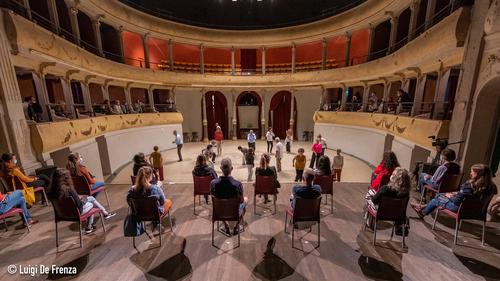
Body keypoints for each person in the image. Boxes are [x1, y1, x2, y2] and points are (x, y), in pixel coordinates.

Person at [412, 164, 498, 218]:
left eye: (472, 172)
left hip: (461, 210)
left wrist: (451, 196)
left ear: (477, 174)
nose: (470, 173)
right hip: (478, 212)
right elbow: (470, 197)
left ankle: (422, 212)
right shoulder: (492, 187)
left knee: (437, 198)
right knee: (442, 195)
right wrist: (456, 194)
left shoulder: (469, 185)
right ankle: (423, 207)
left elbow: (457, 202)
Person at [49, 168, 115, 233]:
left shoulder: (51, 191)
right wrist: (84, 199)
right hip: (76, 213)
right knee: (91, 202)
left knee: (90, 198)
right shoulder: (69, 189)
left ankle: (99, 219)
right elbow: (79, 205)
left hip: (62, 214)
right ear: (66, 177)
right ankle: (95, 222)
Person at [366, 167, 411, 234]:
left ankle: (369, 221)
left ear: (395, 178)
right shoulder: (406, 193)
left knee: (369, 194)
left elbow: (374, 201)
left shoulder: (385, 189)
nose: (391, 176)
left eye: (393, 174)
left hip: (381, 213)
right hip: (397, 215)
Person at [210, 158, 247, 235]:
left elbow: (212, 197)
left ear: (221, 168)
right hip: (234, 212)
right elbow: (241, 201)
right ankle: (236, 227)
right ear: (232, 169)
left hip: (219, 212)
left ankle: (226, 225)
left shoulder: (213, 183)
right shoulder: (237, 184)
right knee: (246, 200)